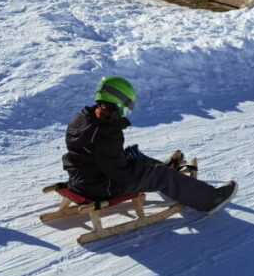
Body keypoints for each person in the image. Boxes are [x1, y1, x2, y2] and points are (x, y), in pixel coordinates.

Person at [62, 76, 236, 214]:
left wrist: (128, 158)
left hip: (82, 178)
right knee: (159, 175)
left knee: (137, 157)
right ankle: (210, 199)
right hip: (99, 188)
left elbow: (99, 156)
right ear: (116, 104)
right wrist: (133, 164)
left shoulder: (82, 118)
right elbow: (122, 176)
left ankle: (167, 173)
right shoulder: (104, 135)